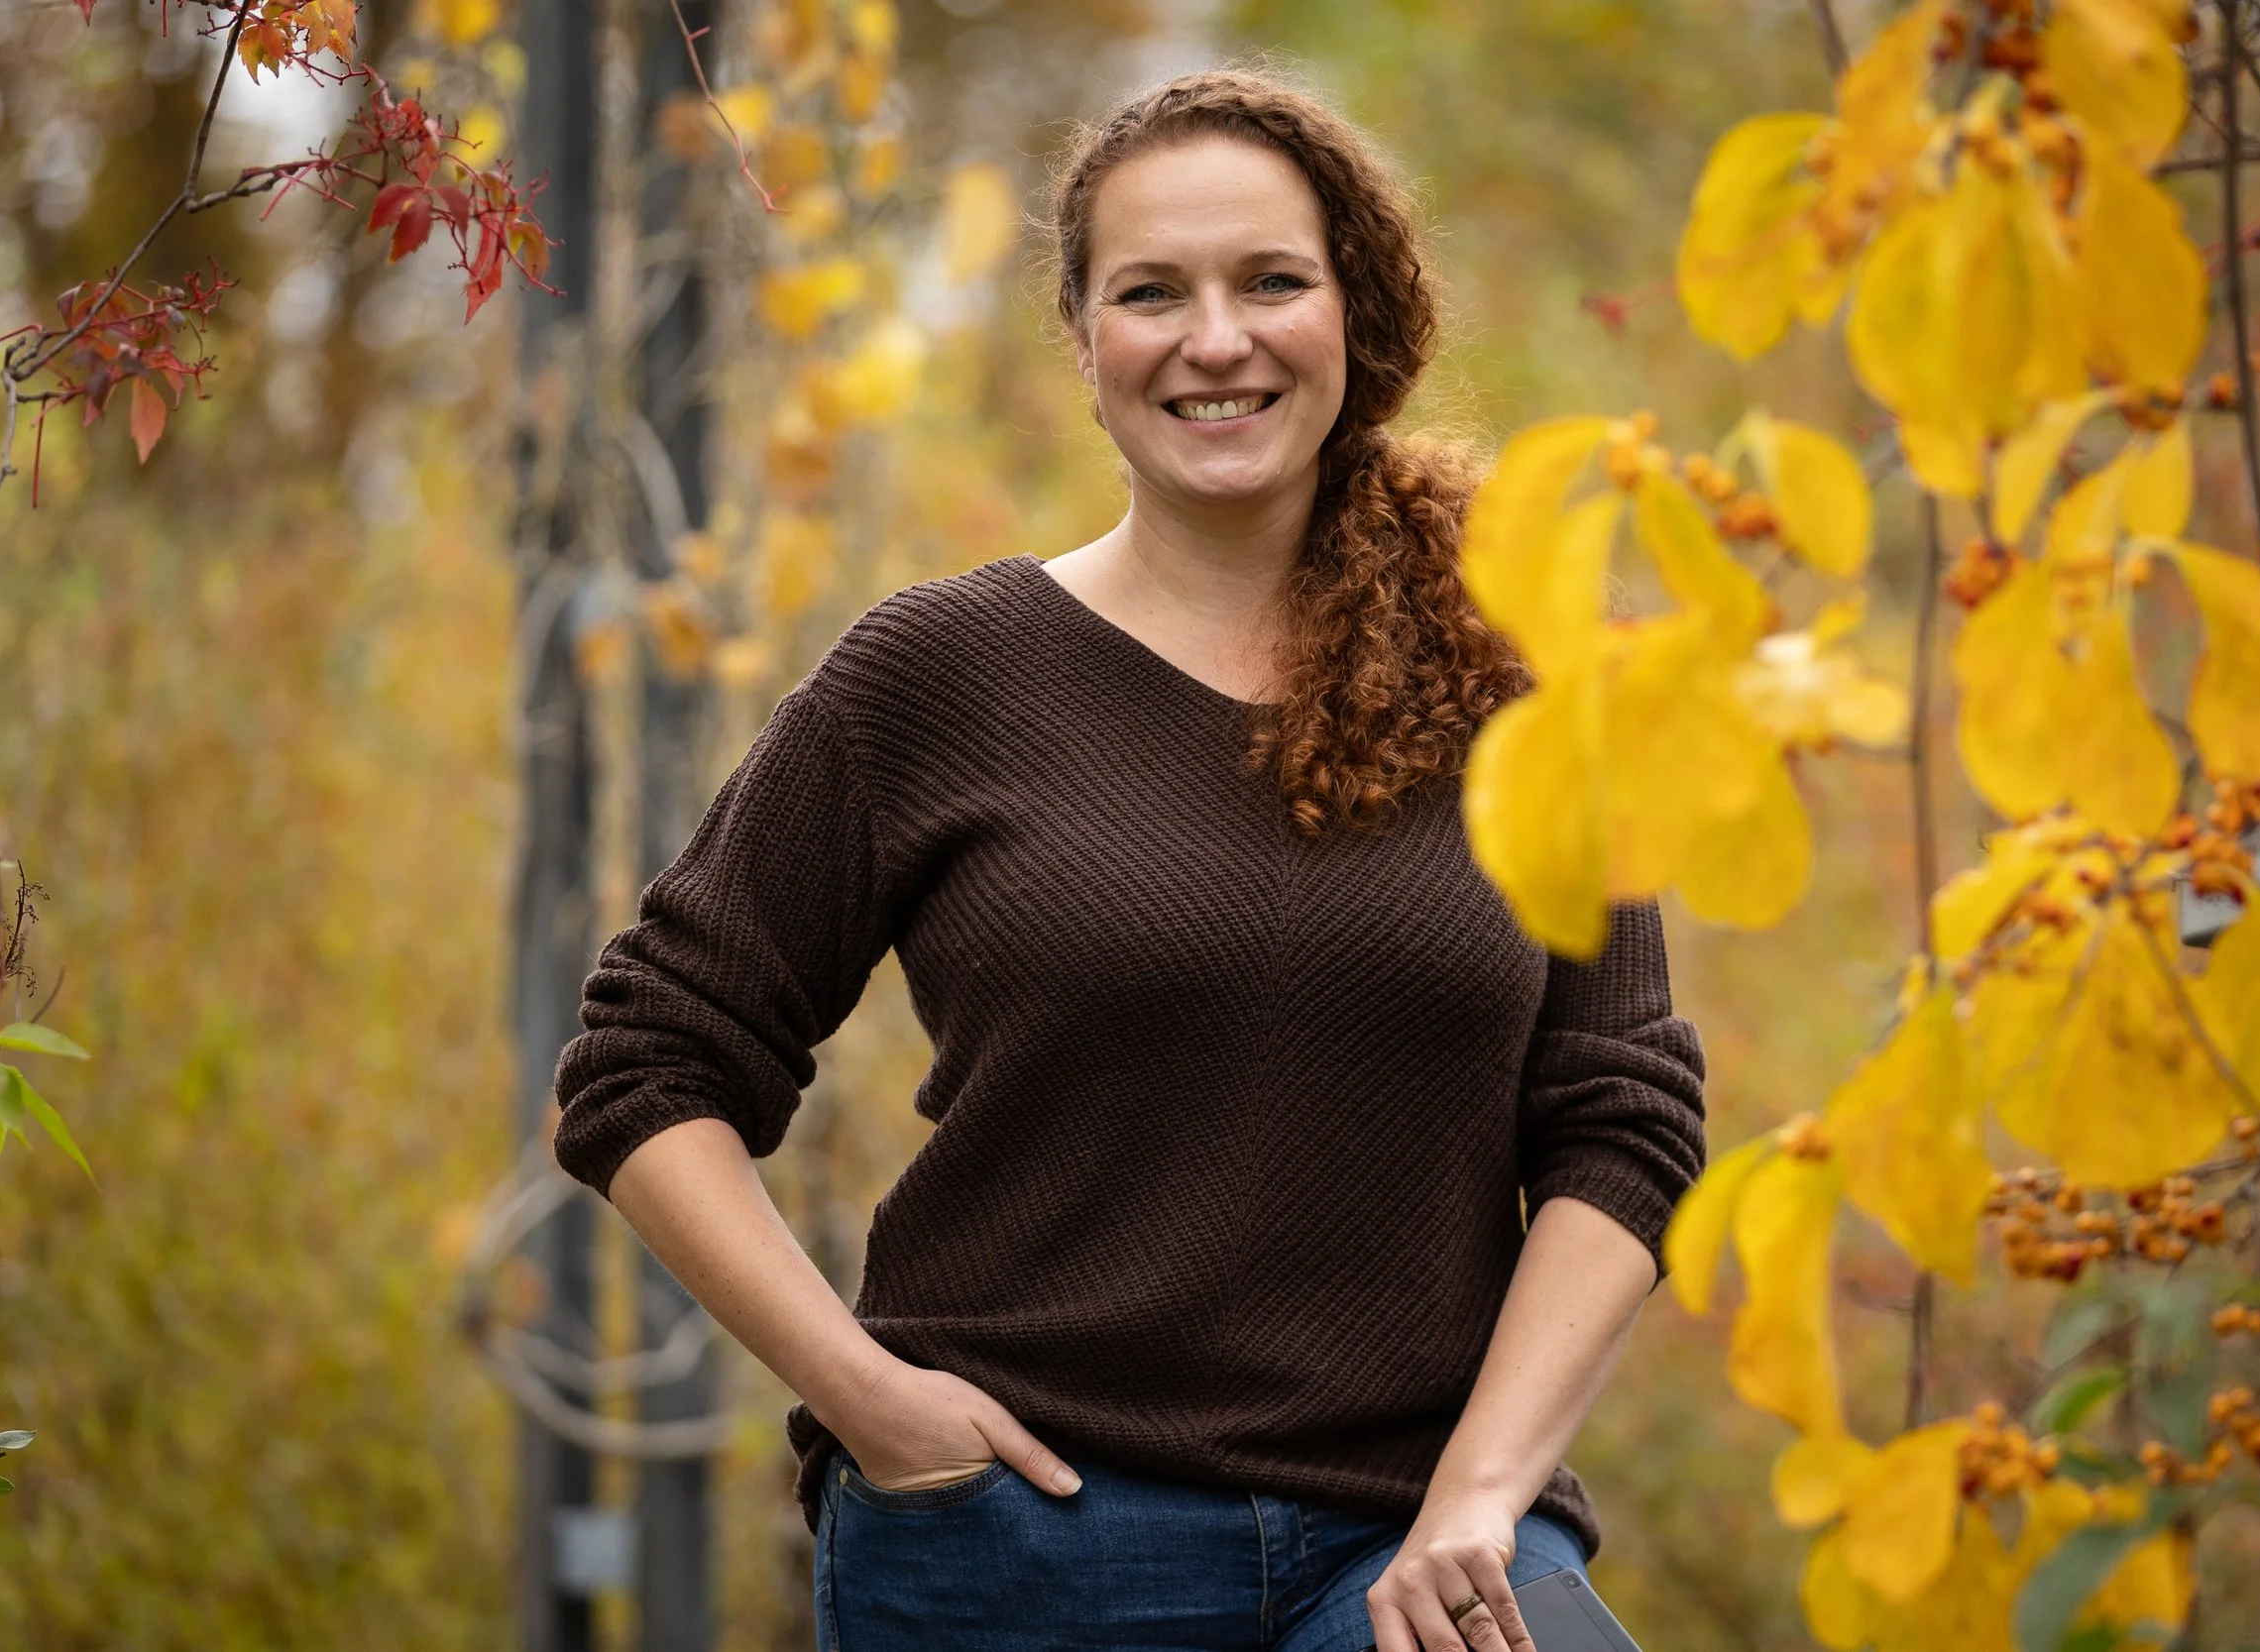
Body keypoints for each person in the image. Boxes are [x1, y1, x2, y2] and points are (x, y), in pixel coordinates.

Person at [551, 67, 1706, 1652]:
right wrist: (871, 1401)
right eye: (1151, 291)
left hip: (1421, 1554)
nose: (1215, 339)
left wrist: (1482, 1495)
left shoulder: (1527, 679)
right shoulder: (939, 673)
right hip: (1019, 1535)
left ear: (1354, 315)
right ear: (1088, 344)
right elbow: (643, 1065)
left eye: (1271, 282)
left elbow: (1620, 1114)